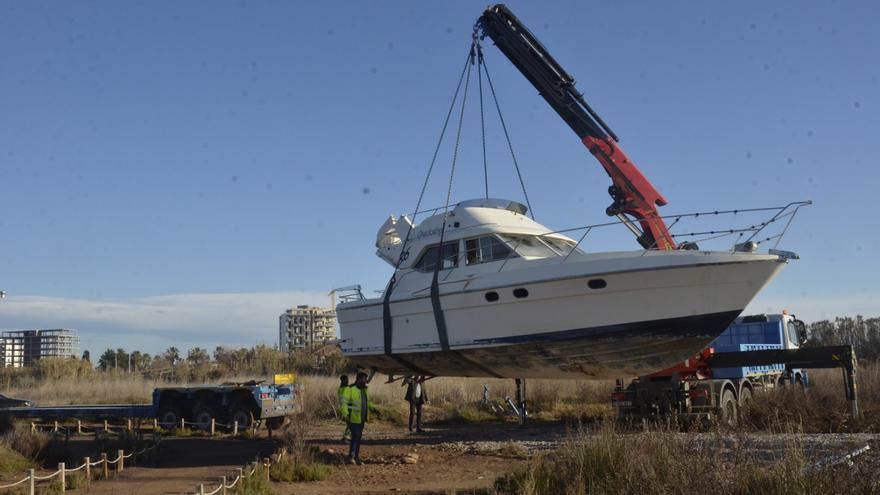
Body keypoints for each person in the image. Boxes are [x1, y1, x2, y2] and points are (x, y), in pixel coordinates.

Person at [340, 371, 371, 465]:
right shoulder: (350, 389)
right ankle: (352, 457)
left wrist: (374, 408)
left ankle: (356, 457)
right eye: (364, 379)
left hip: (362, 418)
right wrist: (345, 415)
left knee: (358, 438)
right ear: (359, 379)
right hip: (353, 418)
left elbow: (367, 403)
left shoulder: (364, 390)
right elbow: (343, 403)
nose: (366, 381)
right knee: (355, 437)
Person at [337, 374, 351, 442]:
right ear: (343, 380)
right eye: (346, 380)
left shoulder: (341, 388)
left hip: (344, 409)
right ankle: (345, 437)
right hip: (345, 409)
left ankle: (344, 437)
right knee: (350, 424)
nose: (348, 381)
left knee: (349, 424)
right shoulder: (345, 389)